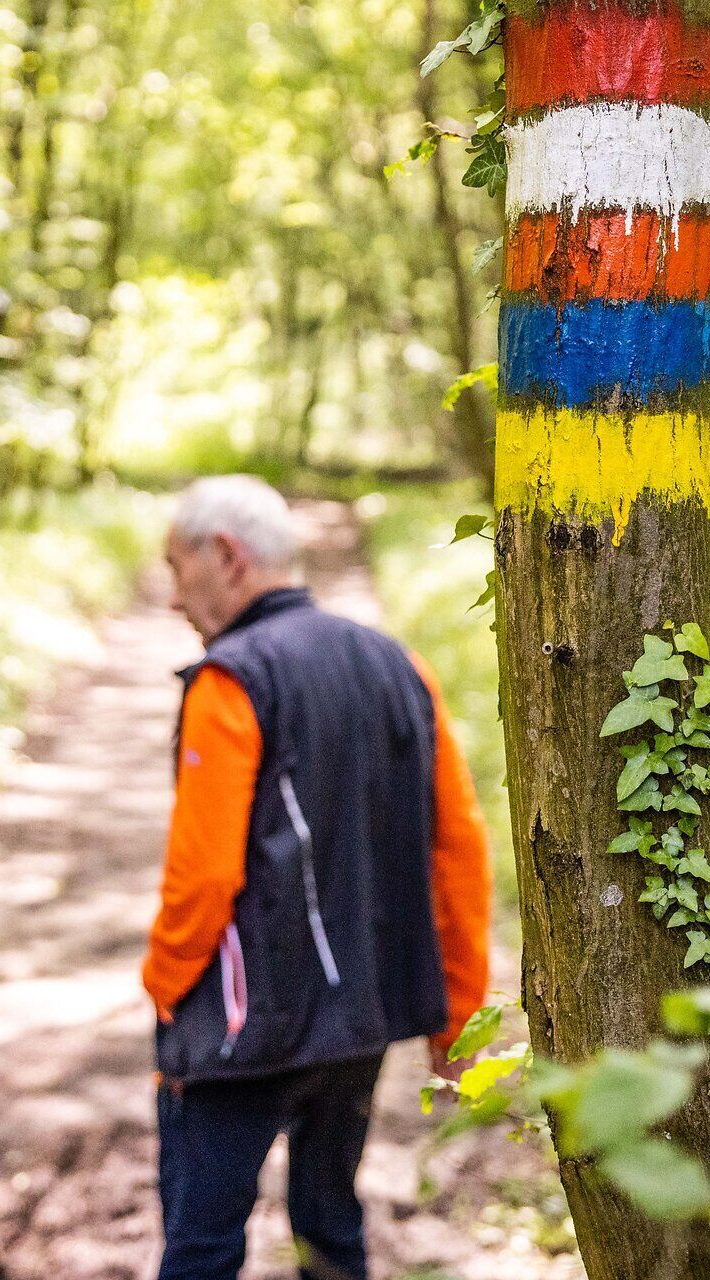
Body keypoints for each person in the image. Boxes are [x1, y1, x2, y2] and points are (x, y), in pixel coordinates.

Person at [143, 475, 492, 1280]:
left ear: (225, 556)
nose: (171, 599)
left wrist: (164, 988)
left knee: (201, 1246)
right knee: (330, 1232)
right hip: (358, 1024)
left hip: (242, 1031)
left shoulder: (231, 679)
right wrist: (459, 1017)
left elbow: (203, 878)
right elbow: (457, 852)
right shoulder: (402, 667)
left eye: (174, 567)